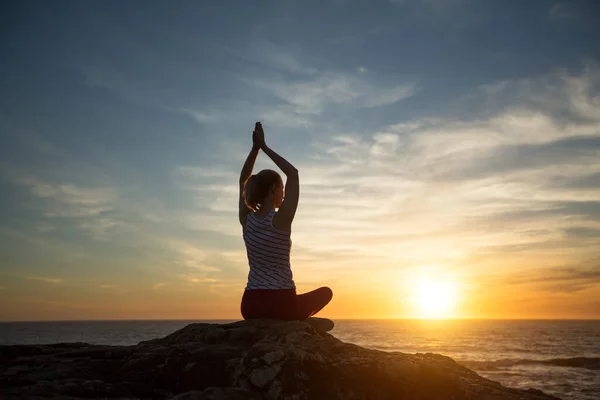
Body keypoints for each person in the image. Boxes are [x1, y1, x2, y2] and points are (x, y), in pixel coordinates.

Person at [238, 122, 333, 320]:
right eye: (282, 188)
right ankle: (299, 321)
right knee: (326, 292)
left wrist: (254, 150)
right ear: (274, 189)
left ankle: (295, 319)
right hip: (282, 304)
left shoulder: (246, 220)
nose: (283, 192)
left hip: (250, 305)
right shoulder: (281, 220)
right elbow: (293, 173)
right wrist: (264, 147)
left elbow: (243, 180)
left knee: (303, 301)